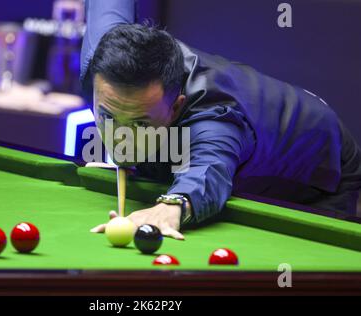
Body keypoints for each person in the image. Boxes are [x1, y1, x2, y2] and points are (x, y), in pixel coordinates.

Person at [83, 0, 361, 239]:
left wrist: (173, 206)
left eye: (139, 124)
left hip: (318, 168)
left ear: (177, 107)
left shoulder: (213, 114)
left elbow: (208, 168)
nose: (120, 138)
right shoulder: (102, 64)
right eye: (108, 115)